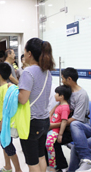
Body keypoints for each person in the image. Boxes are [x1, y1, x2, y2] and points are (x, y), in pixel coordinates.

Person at [18, 38, 55, 172]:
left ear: (29, 54)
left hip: (31, 122)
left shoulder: (28, 72)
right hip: (44, 120)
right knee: (41, 157)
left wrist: (12, 91)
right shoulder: (47, 71)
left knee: (32, 162)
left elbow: (23, 99)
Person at [51, 67, 90, 172]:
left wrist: (54, 125)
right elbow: (59, 105)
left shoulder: (82, 95)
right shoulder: (67, 91)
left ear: (69, 79)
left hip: (77, 129)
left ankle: (61, 167)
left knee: (53, 141)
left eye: (63, 78)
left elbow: (76, 119)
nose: (62, 81)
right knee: (45, 137)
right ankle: (53, 164)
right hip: (64, 126)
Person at [0, 62, 22, 172]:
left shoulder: (7, 88)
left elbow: (8, 108)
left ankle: (18, 170)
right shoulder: (2, 87)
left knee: (8, 146)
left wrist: (2, 122)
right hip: (0, 120)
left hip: (5, 122)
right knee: (4, 144)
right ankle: (7, 166)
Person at [46, 85, 72, 172]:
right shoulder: (59, 105)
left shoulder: (65, 108)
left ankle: (53, 166)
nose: (54, 95)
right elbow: (52, 114)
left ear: (62, 96)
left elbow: (64, 121)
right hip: (51, 129)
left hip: (55, 130)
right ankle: (50, 164)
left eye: (57, 93)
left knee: (49, 144)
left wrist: (60, 134)